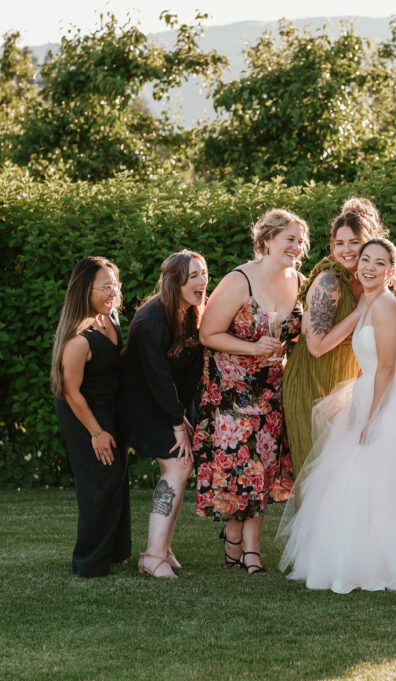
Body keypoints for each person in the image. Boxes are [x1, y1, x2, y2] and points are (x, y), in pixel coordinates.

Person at [278, 238, 396, 593]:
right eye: (365, 260)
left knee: (385, 484)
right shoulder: (366, 303)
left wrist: (372, 419)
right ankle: (355, 559)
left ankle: (395, 562)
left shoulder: (387, 306)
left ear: (391, 271)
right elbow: (325, 346)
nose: (369, 267)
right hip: (369, 394)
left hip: (391, 398)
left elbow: (387, 368)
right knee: (355, 483)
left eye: (379, 263)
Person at [193, 209, 307, 574]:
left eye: (300, 240)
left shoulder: (300, 282)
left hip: (274, 391)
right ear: (268, 240)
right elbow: (208, 334)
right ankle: (235, 540)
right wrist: (252, 348)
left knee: (264, 471)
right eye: (289, 238)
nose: (296, 246)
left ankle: (248, 549)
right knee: (243, 472)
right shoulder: (239, 280)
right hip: (232, 393)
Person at [120, 251, 209, 579]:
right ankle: (152, 556)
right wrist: (176, 424)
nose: (202, 282)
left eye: (203, 274)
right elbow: (157, 378)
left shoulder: (189, 313)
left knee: (182, 466)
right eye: (194, 276)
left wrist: (183, 416)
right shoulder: (150, 320)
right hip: (141, 405)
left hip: (169, 405)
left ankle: (162, 547)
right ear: (176, 281)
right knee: (177, 465)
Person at [283, 199, 387, 475]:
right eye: (339, 243)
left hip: (345, 381)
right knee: (316, 473)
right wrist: (359, 312)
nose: (346, 250)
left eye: (353, 242)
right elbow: (315, 346)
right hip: (312, 382)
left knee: (343, 475)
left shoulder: (367, 278)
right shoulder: (329, 281)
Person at [50, 256, 131, 577]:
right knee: (99, 483)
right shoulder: (78, 338)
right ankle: (89, 562)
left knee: (115, 481)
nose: (113, 292)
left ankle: (114, 552)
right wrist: (96, 433)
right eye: (105, 286)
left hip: (108, 409)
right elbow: (71, 391)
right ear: (85, 290)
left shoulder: (110, 318)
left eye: (115, 285)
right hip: (83, 413)